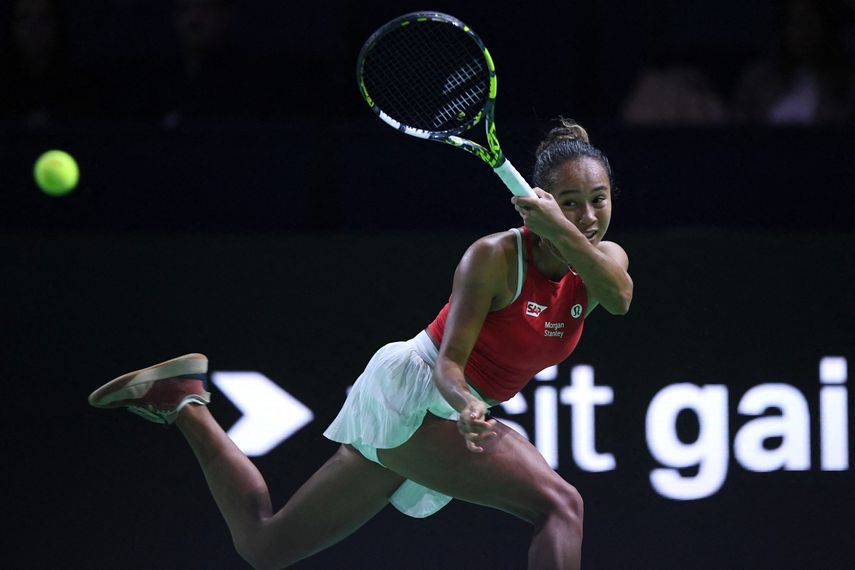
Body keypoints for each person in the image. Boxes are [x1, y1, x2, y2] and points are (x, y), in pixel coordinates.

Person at [88, 118, 633, 570]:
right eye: (570, 202)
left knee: (266, 546)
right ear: (541, 201)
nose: (588, 217)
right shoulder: (492, 257)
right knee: (561, 505)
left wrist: (559, 227)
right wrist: (466, 401)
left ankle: (184, 401)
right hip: (418, 398)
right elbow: (449, 366)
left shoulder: (606, 262)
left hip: (454, 413)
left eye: (598, 200)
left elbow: (619, 297)